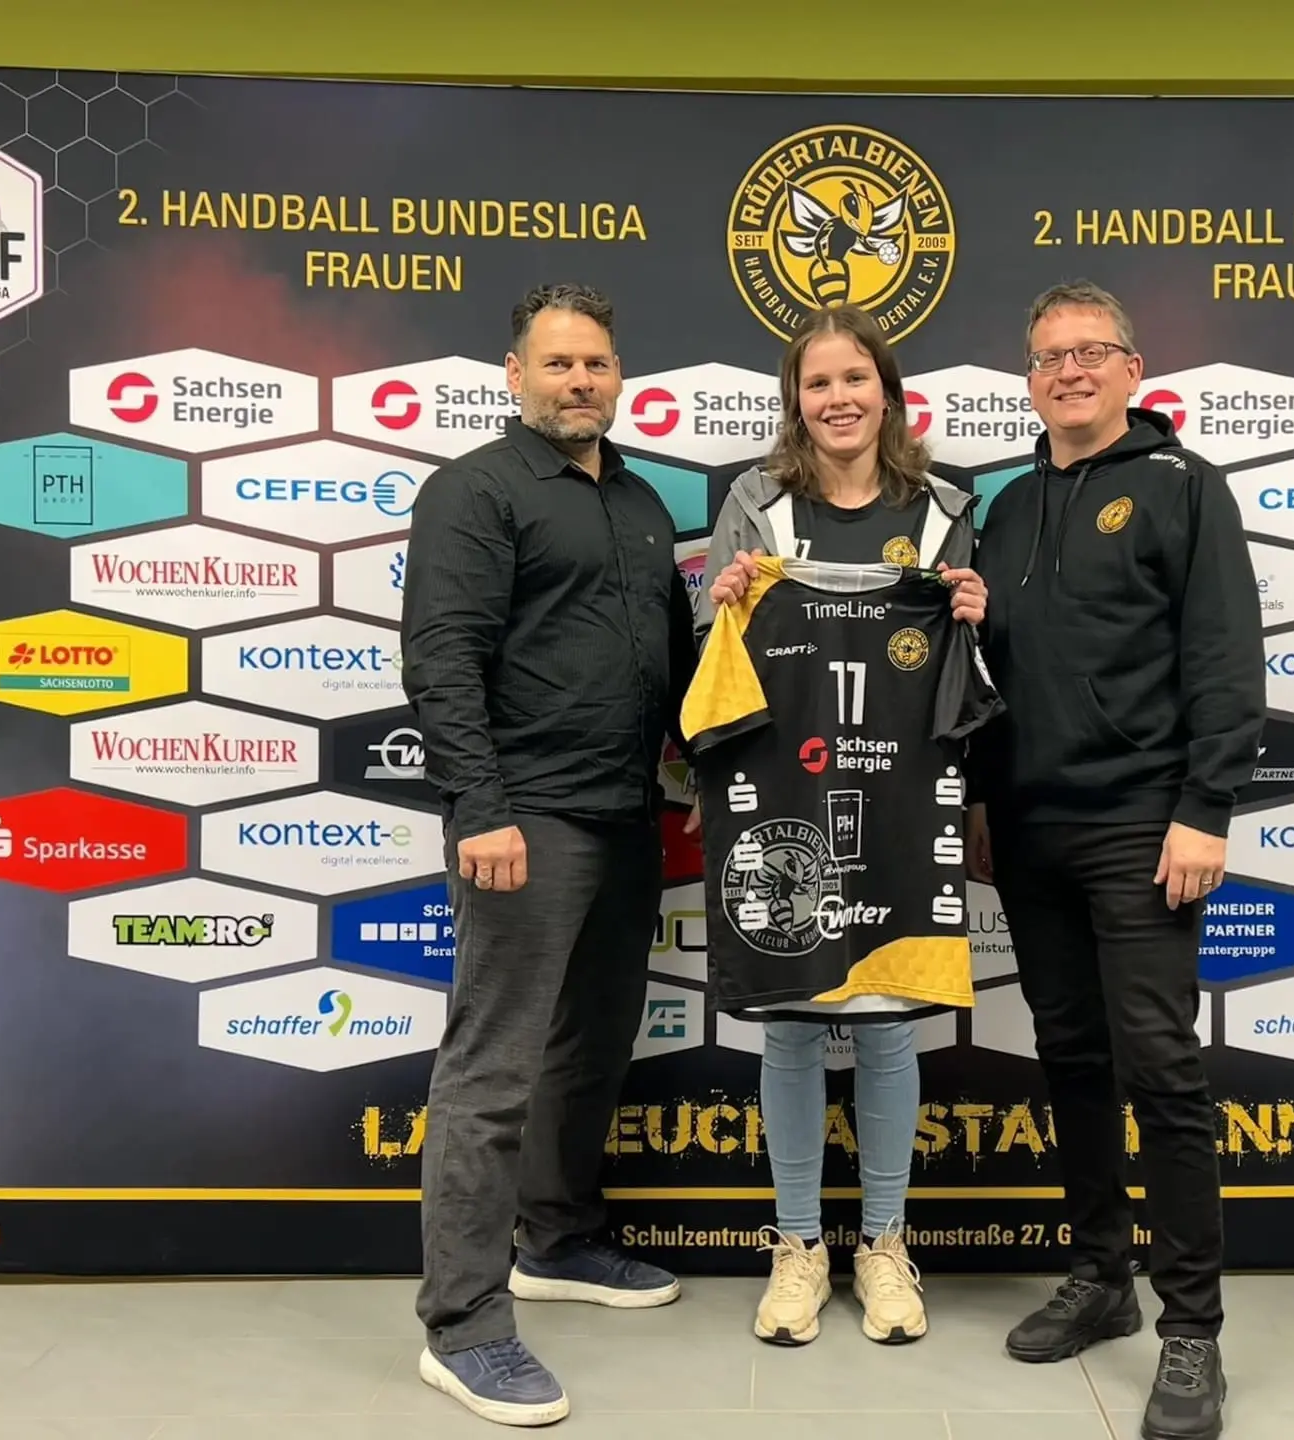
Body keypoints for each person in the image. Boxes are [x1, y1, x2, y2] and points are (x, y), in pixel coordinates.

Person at [965, 280, 1265, 1440]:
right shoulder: (1005, 507)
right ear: (1030, 380)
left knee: (1162, 1070)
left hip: (1144, 824)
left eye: (1091, 351)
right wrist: (983, 798)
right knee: (1073, 1059)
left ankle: (1192, 1333)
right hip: (1029, 826)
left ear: (1134, 370)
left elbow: (1224, 656)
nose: (1070, 371)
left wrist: (1205, 807)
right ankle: (1102, 1277)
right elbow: (991, 673)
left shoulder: (1184, 486)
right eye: (1049, 357)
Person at [401, 282, 697, 1429]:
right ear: (515, 374)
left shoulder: (641, 501)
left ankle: (558, 1239)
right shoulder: (475, 491)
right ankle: (464, 1324)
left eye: (598, 363)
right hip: (525, 819)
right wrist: (481, 809)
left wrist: (709, 772)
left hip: (626, 816)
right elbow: (443, 657)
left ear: (619, 377)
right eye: (559, 363)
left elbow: (673, 667)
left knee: (591, 1045)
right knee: (493, 1071)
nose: (581, 381)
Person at [697, 302, 987, 1347]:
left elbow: (978, 671)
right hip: (782, 788)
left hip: (903, 790)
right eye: (817, 383)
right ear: (795, 400)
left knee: (888, 1020)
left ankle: (883, 1243)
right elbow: (705, 650)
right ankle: (797, 1246)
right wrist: (722, 599)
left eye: (855, 378)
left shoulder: (945, 510)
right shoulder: (755, 502)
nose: (838, 399)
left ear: (888, 392)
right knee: (788, 1020)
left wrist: (973, 616)